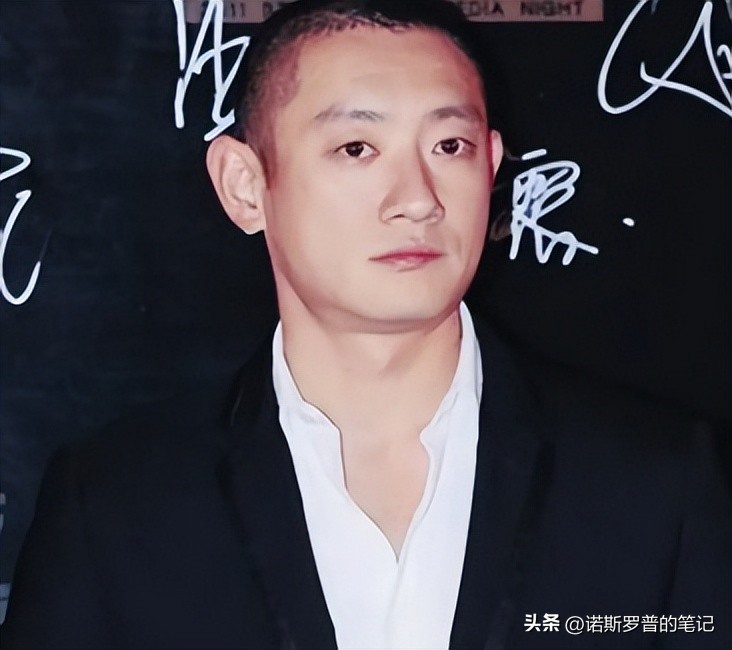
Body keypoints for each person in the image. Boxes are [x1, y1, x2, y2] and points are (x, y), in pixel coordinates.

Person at [2, 1, 731, 648]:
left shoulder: (656, 484)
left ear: (491, 166)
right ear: (245, 186)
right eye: (357, 149)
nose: (417, 198)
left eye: (450, 147)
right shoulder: (117, 503)